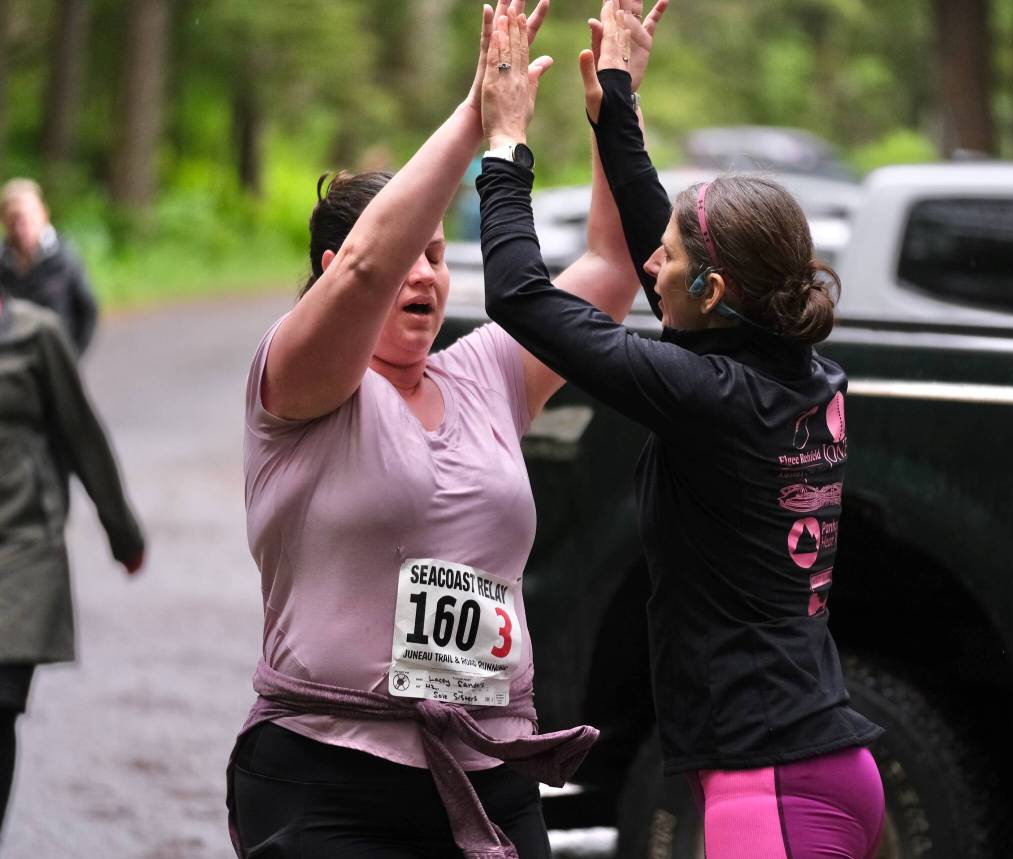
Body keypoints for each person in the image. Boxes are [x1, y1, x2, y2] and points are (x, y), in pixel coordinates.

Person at [228, 2, 656, 857]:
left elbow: (612, 266)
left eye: (439, 256)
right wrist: (479, 113)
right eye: (408, 255)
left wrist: (618, 96)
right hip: (326, 769)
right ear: (331, 269)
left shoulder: (488, 371)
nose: (423, 275)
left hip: (484, 770)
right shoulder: (301, 381)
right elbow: (365, 265)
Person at [478, 3, 886, 857]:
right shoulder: (799, 374)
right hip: (821, 763)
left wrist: (505, 145)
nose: (646, 264)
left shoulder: (714, 397)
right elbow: (670, 245)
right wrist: (616, 98)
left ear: (712, 293)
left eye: (666, 259)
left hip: (769, 778)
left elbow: (518, 293)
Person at [0, 291, 145, 840]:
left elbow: (81, 432)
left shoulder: (37, 335)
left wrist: (122, 533)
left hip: (22, 545)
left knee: (0, 701)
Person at [0, 178, 98, 357]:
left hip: (54, 359)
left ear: (43, 214)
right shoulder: (3, 263)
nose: (21, 227)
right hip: (11, 366)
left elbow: (87, 311)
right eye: (13, 219)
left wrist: (71, 357)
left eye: (27, 218)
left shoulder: (64, 258)